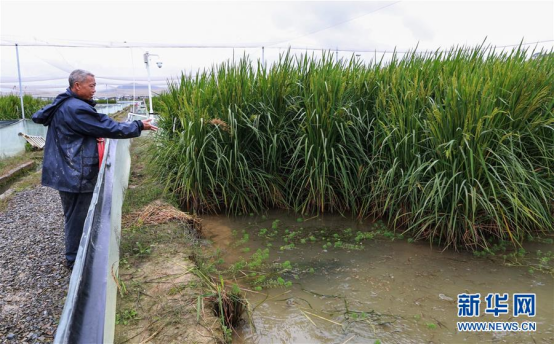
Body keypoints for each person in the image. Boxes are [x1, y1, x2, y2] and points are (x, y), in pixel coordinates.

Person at [32, 69, 158, 270]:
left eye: (95, 85)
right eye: (91, 86)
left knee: (73, 214)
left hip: (65, 169)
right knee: (77, 217)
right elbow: (107, 127)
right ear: (77, 86)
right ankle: (75, 261)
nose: (94, 90)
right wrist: (138, 126)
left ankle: (78, 254)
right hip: (74, 171)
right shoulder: (76, 108)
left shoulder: (66, 104)